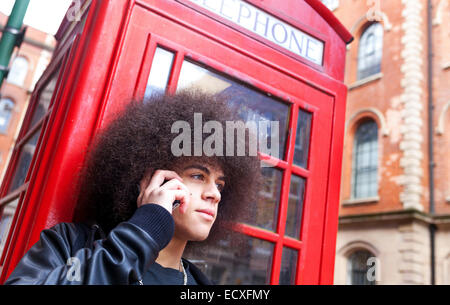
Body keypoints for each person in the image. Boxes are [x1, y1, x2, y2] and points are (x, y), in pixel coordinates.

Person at [4, 90, 262, 285]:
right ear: (151, 178)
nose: (215, 194)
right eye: (197, 175)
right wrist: (146, 228)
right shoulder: (71, 244)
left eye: (220, 184)